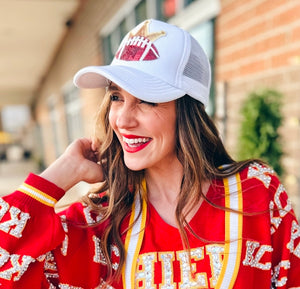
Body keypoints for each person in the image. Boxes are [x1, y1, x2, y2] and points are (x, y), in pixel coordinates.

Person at [0, 19, 299, 289]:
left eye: (146, 100)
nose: (123, 120)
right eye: (116, 97)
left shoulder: (257, 191)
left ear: (186, 110)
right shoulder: (97, 224)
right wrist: (60, 173)